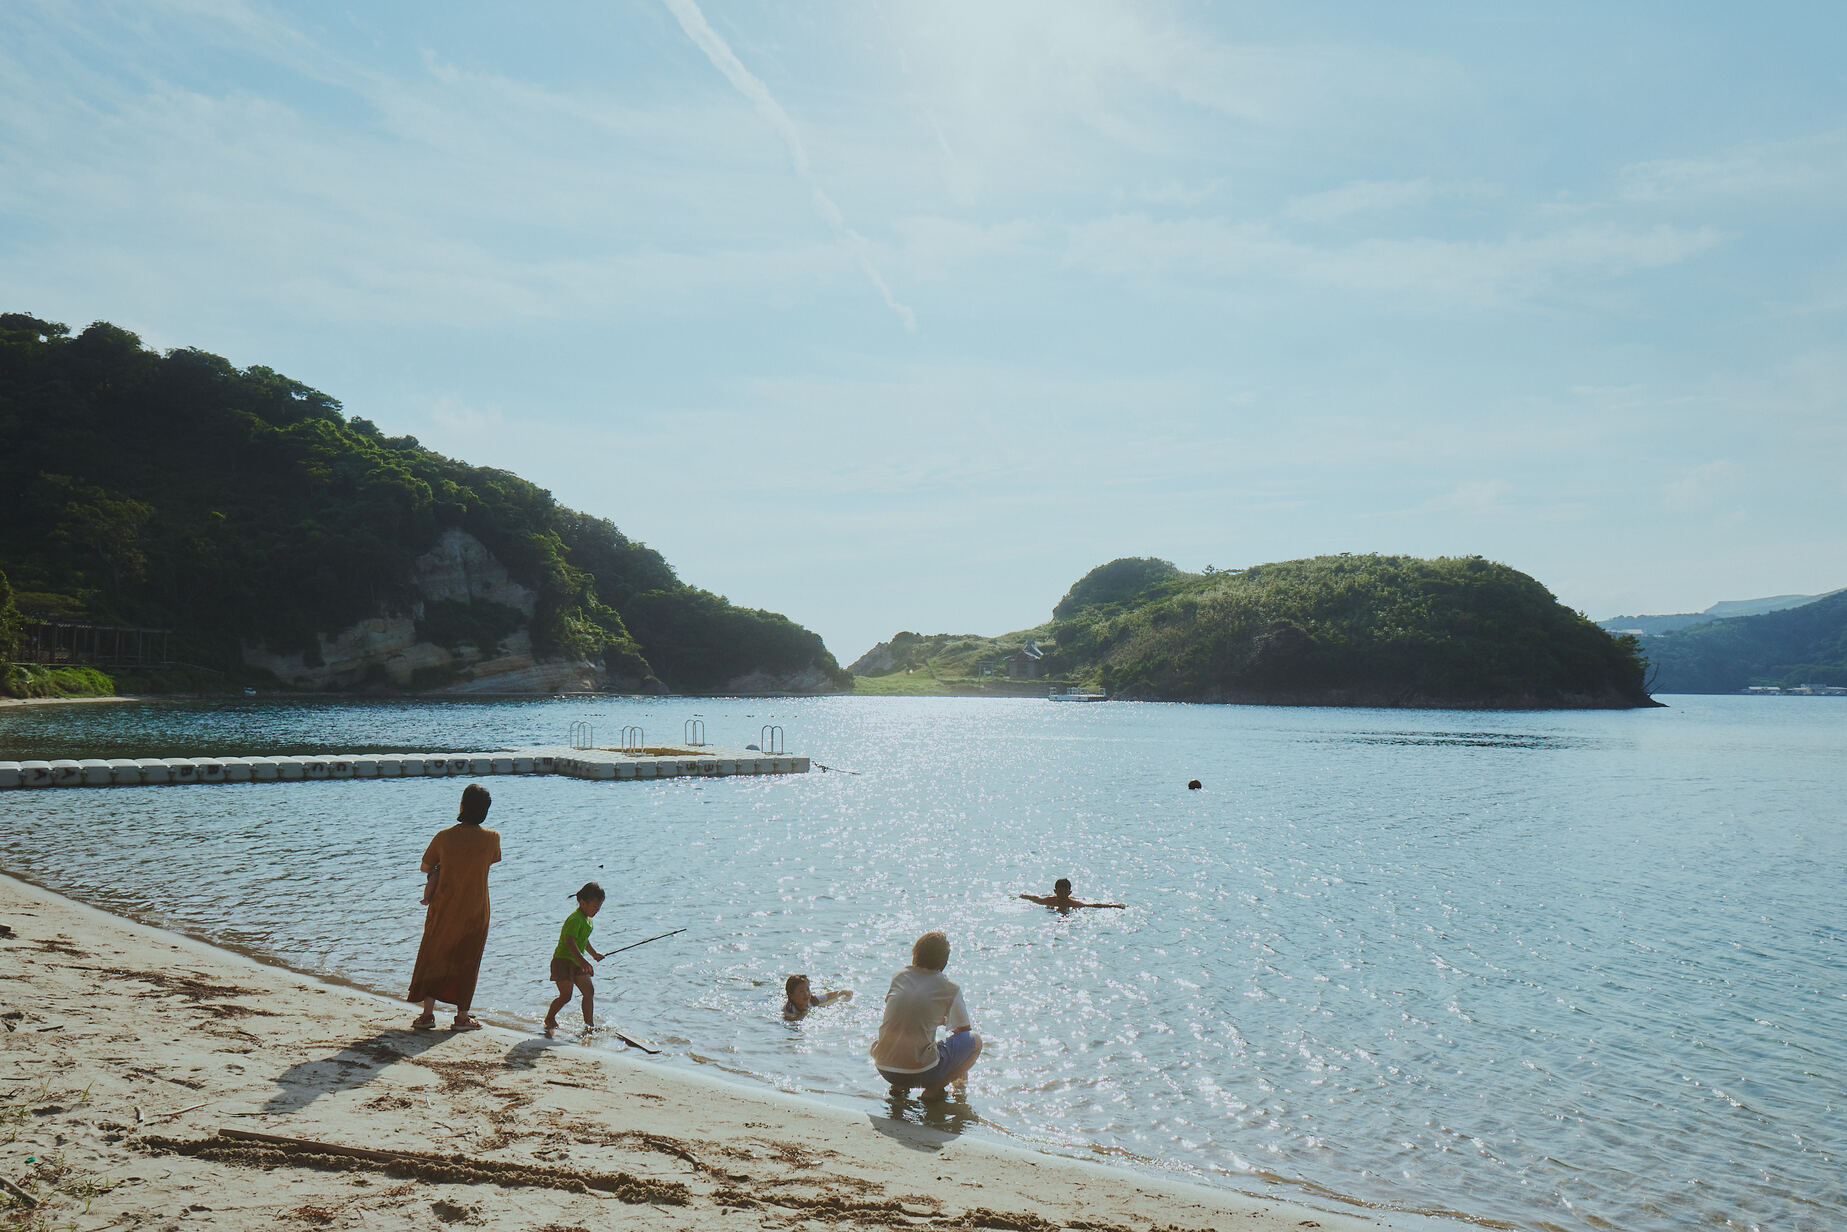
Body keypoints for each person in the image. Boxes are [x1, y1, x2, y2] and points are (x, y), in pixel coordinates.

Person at [407, 784, 501, 1031]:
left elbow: (425, 867)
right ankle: (462, 1016)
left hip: (444, 908)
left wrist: (439, 869)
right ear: (484, 811)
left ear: (462, 806)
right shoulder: (492, 839)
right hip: (476, 910)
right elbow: (491, 860)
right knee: (468, 961)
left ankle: (427, 1014)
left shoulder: (444, 837)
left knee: (434, 956)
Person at [870, 930, 981, 1099]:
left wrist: (936, 1019)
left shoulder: (899, 976)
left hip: (884, 1067)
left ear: (916, 954)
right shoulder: (950, 988)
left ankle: (899, 1086)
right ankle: (936, 1089)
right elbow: (963, 1030)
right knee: (974, 1041)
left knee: (904, 1034)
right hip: (920, 1072)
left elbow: (906, 1013)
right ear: (944, 961)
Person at [545, 882, 607, 1037]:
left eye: (599, 907)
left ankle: (589, 1025)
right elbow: (570, 942)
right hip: (563, 961)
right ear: (582, 903)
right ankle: (550, 1018)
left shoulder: (588, 920)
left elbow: (583, 940)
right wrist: (583, 961)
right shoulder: (575, 919)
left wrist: (594, 954)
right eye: (594, 907)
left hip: (578, 960)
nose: (596, 910)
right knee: (566, 996)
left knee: (589, 991)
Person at [1019, 877, 1124, 910]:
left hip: (1067, 909)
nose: (1062, 894)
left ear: (1069, 893)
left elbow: (1093, 905)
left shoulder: (1073, 904)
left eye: (1065, 892)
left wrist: (1113, 906)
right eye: (1060, 891)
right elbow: (1036, 899)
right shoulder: (1049, 900)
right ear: (1055, 892)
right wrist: (1024, 896)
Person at [782, 973, 853, 1021]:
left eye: (807, 989)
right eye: (801, 991)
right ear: (791, 995)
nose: (806, 993)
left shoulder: (812, 1000)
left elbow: (828, 996)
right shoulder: (789, 1010)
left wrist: (842, 992)